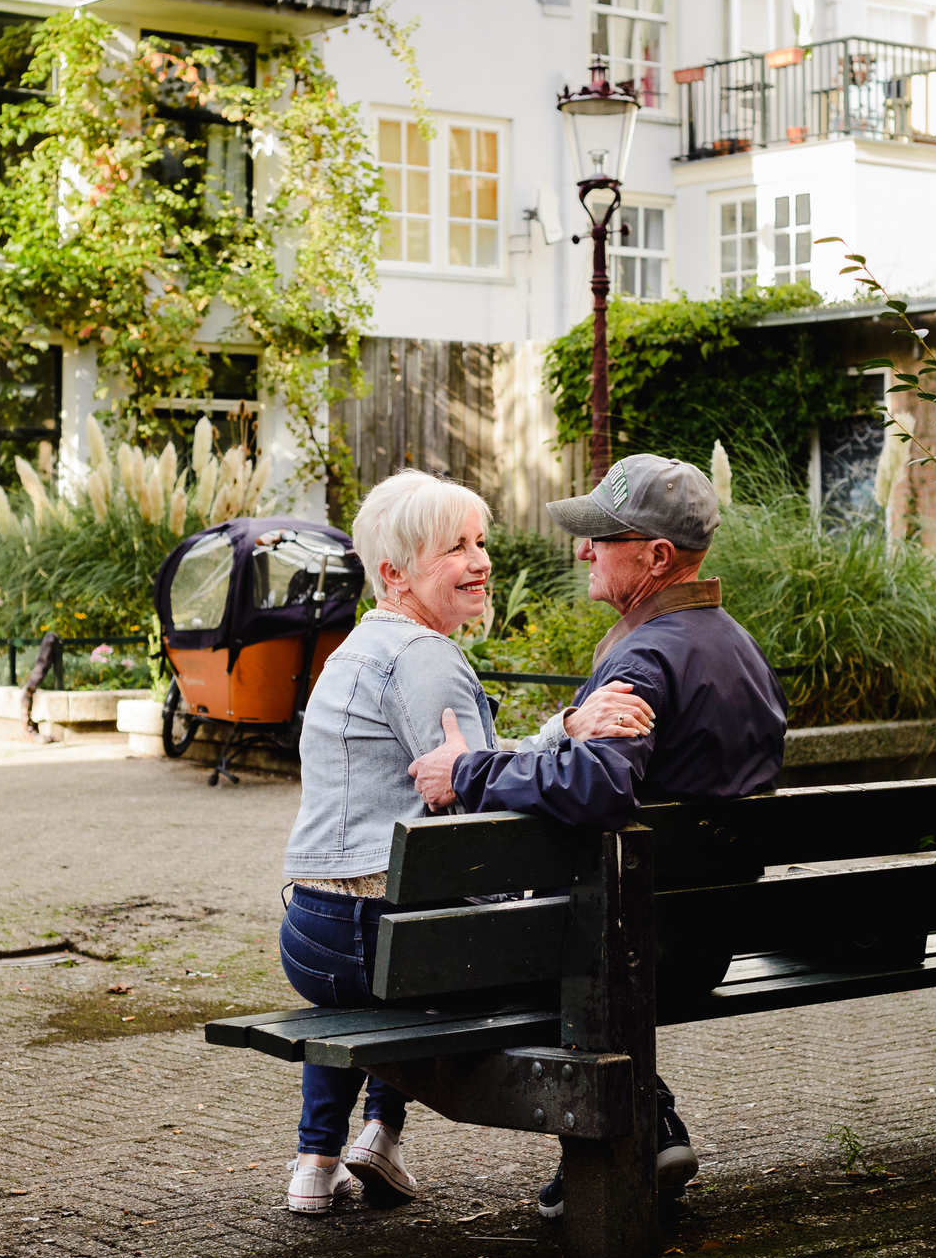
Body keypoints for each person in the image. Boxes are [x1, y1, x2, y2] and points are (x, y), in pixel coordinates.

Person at [407, 452, 788, 1219]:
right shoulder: (735, 646)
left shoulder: (647, 655)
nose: (583, 548)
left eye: (601, 536)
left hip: (630, 948)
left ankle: (634, 1131)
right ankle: (649, 1121)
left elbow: (598, 784)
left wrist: (469, 771)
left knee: (443, 961)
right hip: (709, 934)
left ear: (655, 557)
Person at [280, 468, 657, 1217]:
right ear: (394, 574)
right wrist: (573, 734)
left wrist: (559, 729)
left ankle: (325, 1159)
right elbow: (479, 794)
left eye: (480, 542)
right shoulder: (427, 659)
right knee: (477, 943)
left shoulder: (355, 651)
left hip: (313, 938)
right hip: (385, 942)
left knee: (423, 938)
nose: (481, 561)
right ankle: (625, 1143)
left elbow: (467, 769)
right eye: (455, 549)